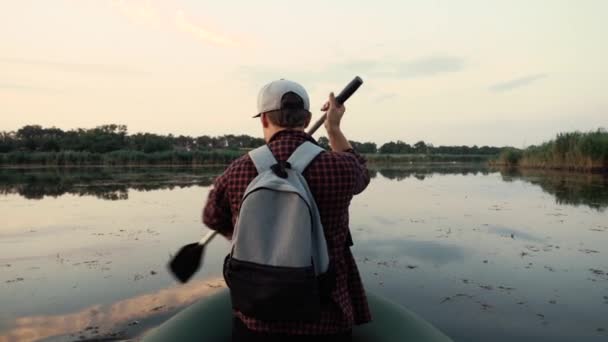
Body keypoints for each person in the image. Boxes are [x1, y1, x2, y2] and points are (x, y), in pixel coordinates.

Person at [203, 79, 371, 341]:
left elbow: (212, 216)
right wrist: (334, 128)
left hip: (255, 322)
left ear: (264, 120)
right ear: (306, 119)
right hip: (325, 321)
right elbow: (361, 171)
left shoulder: (237, 170)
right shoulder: (340, 168)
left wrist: (257, 238)